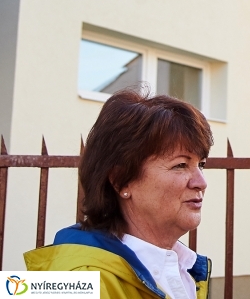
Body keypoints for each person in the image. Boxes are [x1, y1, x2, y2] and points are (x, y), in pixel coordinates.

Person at [25, 89, 214, 299]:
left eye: (201, 165)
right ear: (121, 180)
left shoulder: (182, 268)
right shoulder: (71, 283)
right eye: (180, 165)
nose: (201, 182)